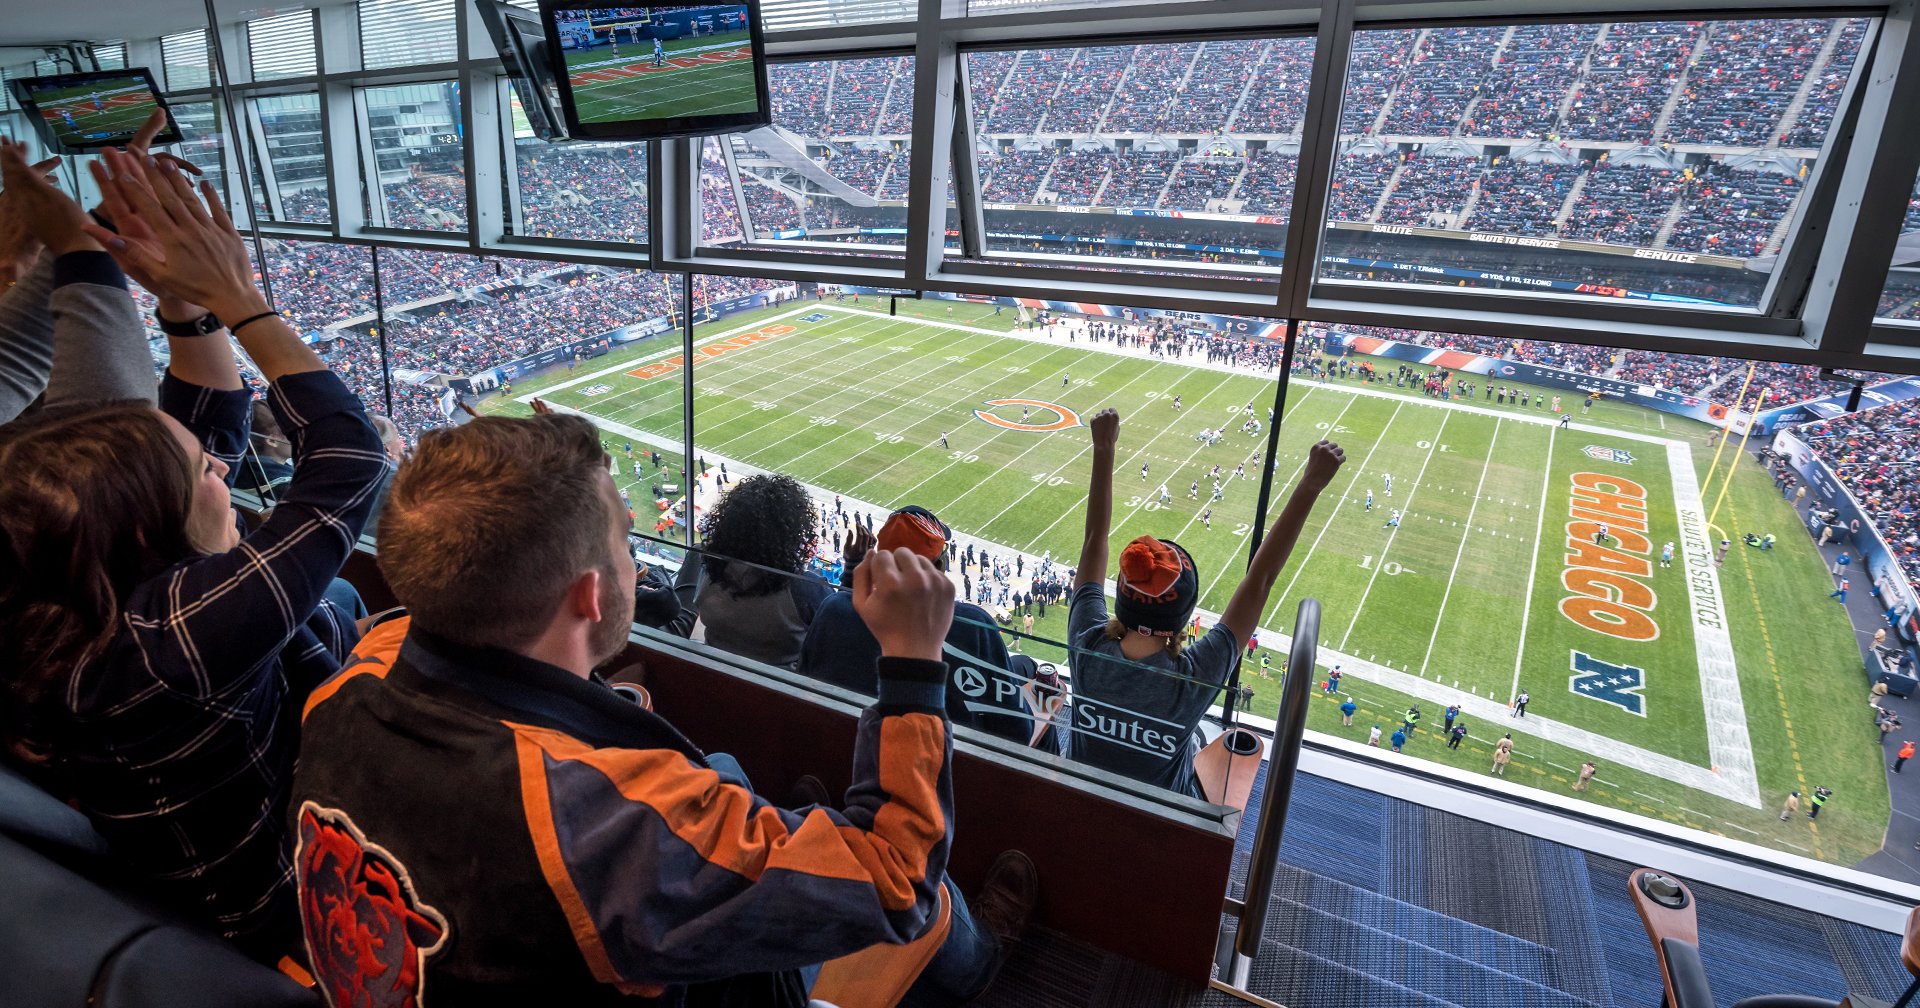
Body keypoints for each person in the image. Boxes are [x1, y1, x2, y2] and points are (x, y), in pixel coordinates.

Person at [294, 413, 1033, 1004]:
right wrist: (912, 662)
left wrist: (559, 486)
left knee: (728, 770)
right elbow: (897, 881)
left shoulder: (354, 669)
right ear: (588, 594)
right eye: (622, 535)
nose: (636, 550)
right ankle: (980, 963)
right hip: (700, 974)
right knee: (924, 904)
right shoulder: (611, 820)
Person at [0, 144, 389, 957]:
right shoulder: (161, 648)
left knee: (339, 607)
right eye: (202, 474)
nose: (222, 466)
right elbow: (349, 461)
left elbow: (206, 416)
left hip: (212, 844)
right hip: (289, 904)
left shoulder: (84, 581)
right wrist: (241, 300)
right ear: (148, 527)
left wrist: (183, 303)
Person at [1067, 409, 1343, 797]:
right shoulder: (1193, 678)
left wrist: (1103, 447)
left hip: (1076, 794)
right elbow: (1259, 581)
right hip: (1161, 813)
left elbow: (1094, 539)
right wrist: (1311, 485)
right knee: (1198, 738)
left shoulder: (1087, 644)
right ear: (1183, 618)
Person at [801, 507, 1032, 745]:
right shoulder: (972, 625)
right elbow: (1019, 730)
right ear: (939, 567)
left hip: (835, 744)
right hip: (958, 764)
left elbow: (809, 673)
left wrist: (853, 573)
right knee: (1028, 675)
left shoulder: (833, 608)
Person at [675, 474, 831, 671]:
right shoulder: (805, 586)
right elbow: (840, 626)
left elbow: (681, 614)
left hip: (714, 670)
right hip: (778, 686)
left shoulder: (703, 560)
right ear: (789, 534)